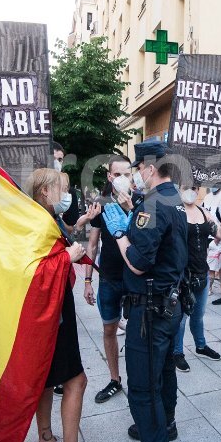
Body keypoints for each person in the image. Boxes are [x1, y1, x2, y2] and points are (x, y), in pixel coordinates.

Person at [100, 141, 187, 442]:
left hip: (149, 309)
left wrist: (121, 234)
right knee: (164, 370)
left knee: (141, 385)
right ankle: (165, 424)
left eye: (137, 168)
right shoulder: (174, 199)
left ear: (150, 168)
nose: (135, 174)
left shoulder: (152, 204)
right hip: (168, 302)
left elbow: (137, 260)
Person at [25, 168, 108, 442]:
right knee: (76, 380)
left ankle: (46, 441)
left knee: (46, 379)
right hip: (53, 314)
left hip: (49, 311)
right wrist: (67, 257)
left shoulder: (40, 218)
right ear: (44, 191)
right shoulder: (37, 222)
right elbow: (35, 269)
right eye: (63, 188)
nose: (67, 195)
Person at [84, 156, 133, 404]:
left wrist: (131, 209)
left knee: (138, 331)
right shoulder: (101, 204)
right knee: (109, 329)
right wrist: (87, 281)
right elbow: (92, 245)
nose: (123, 178)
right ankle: (115, 379)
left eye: (128, 173)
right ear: (110, 177)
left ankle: (137, 380)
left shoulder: (142, 204)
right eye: (118, 174)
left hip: (135, 278)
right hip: (109, 278)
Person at [172, 184, 221, 372]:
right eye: (186, 187)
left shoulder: (204, 212)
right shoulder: (175, 212)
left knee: (198, 316)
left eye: (194, 187)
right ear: (179, 188)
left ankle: (200, 346)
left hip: (201, 273)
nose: (191, 190)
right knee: (180, 318)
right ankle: (177, 353)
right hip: (182, 276)